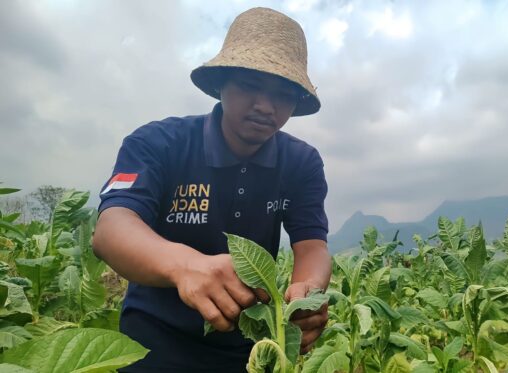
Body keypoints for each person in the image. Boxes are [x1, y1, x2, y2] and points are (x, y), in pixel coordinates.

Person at [92, 7, 331, 372]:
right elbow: (111, 229)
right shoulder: (158, 143)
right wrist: (185, 266)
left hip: (250, 347)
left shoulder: (302, 163)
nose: (265, 106)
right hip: (151, 344)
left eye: (283, 94)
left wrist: (307, 292)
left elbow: (312, 245)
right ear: (221, 83)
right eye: (250, 85)